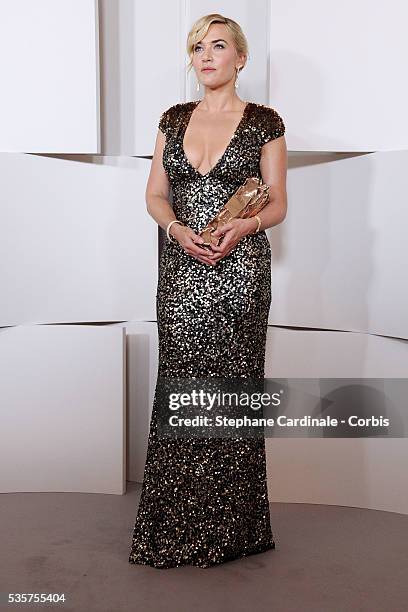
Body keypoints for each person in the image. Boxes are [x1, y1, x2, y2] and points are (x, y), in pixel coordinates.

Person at [129, 13, 287, 569]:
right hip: (180, 270)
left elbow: (278, 203)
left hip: (240, 272)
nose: (206, 55)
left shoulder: (264, 121)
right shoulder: (173, 119)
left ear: (240, 57)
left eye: (218, 46)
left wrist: (240, 227)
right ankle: (174, 525)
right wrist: (176, 230)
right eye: (198, 47)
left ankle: (231, 529)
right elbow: (155, 196)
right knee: (182, 386)